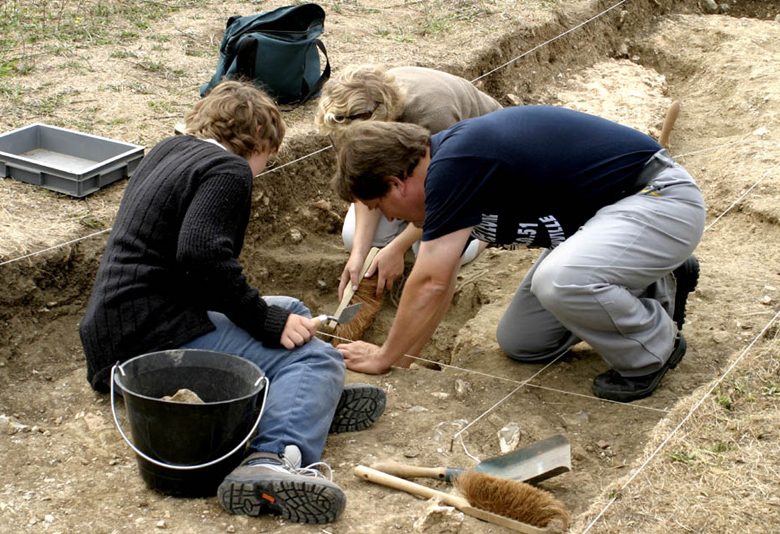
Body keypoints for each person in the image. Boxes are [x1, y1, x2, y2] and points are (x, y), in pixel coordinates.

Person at [79, 80, 385, 524]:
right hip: (151, 338)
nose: (263, 170)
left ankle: (301, 405)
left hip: (118, 327)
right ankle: (272, 460)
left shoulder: (168, 150)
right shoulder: (229, 170)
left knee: (294, 311)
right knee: (315, 361)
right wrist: (262, 318)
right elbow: (202, 255)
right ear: (258, 143)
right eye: (268, 158)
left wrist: (272, 316)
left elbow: (187, 264)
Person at [331, 105, 705, 402]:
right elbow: (440, 286)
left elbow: (429, 282)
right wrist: (403, 360)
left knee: (559, 280)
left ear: (396, 184)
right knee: (523, 342)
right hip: (603, 228)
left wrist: (383, 357)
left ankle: (653, 350)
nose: (392, 217)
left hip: (658, 200)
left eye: (381, 205)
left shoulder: (455, 165)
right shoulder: (447, 170)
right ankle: (653, 277)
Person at [315, 64, 501, 305]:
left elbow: (445, 195)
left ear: (380, 120)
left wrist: (397, 248)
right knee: (353, 238)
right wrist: (358, 255)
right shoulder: (344, 122)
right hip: (414, 183)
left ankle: (487, 231)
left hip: (475, 179)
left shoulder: (433, 115)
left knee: (435, 252)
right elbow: (365, 183)